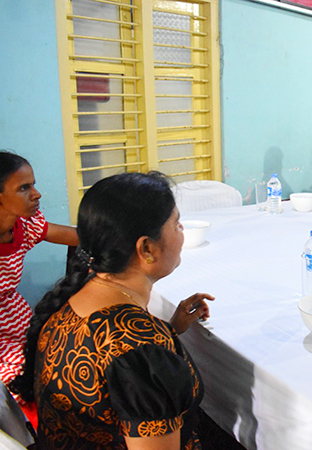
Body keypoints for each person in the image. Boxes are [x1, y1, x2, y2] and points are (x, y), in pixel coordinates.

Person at [11, 172, 214, 449]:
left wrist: (170, 328)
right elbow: (129, 361)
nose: (182, 232)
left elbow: (107, 361)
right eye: (176, 224)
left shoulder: (74, 302)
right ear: (146, 248)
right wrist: (157, 342)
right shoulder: (141, 350)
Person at [0, 151, 78, 412]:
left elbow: (75, 236)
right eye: (24, 188)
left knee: (59, 355)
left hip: (16, 315)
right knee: (20, 379)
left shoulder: (24, 225)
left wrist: (123, 237)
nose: (36, 194)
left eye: (33, 185)